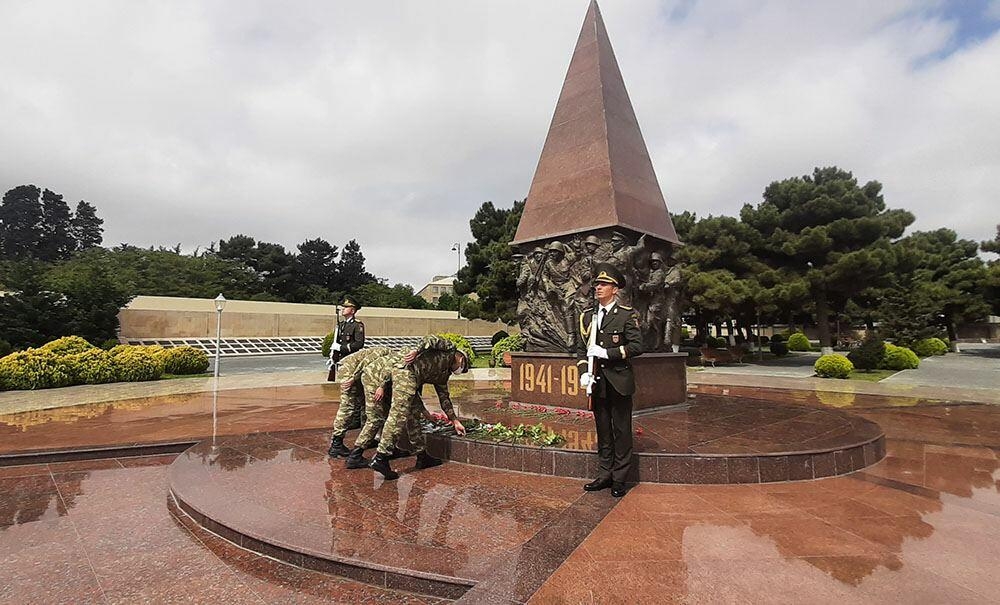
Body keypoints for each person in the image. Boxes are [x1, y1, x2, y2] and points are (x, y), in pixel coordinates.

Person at [576, 263, 644, 497]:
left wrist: (609, 353)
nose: (598, 287)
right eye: (596, 284)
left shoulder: (626, 315)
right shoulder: (588, 317)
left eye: (604, 284)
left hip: (619, 381)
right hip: (598, 382)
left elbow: (637, 346)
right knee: (603, 429)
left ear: (615, 289)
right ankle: (604, 475)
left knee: (621, 431)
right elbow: (580, 349)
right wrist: (584, 371)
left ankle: (619, 478)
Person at [369, 335, 469, 480]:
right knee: (397, 416)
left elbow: (444, 398)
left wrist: (455, 421)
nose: (458, 371)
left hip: (413, 382)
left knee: (413, 416)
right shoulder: (449, 348)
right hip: (406, 374)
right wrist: (417, 351)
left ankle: (422, 456)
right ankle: (381, 458)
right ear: (461, 358)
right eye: (462, 368)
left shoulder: (443, 374)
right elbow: (431, 338)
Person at [326, 346, 392, 457]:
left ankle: (367, 437)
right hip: (350, 370)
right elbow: (366, 361)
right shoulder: (385, 351)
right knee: (348, 407)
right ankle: (336, 444)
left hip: (358, 373)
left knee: (365, 405)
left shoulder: (389, 356)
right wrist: (353, 378)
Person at [329, 297, 366, 428]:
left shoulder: (357, 325)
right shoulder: (342, 325)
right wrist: (333, 355)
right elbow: (338, 342)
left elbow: (358, 344)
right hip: (343, 362)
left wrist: (341, 348)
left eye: (346, 307)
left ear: (353, 310)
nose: (343, 309)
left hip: (352, 361)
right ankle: (352, 418)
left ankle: (356, 420)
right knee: (347, 390)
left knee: (354, 391)